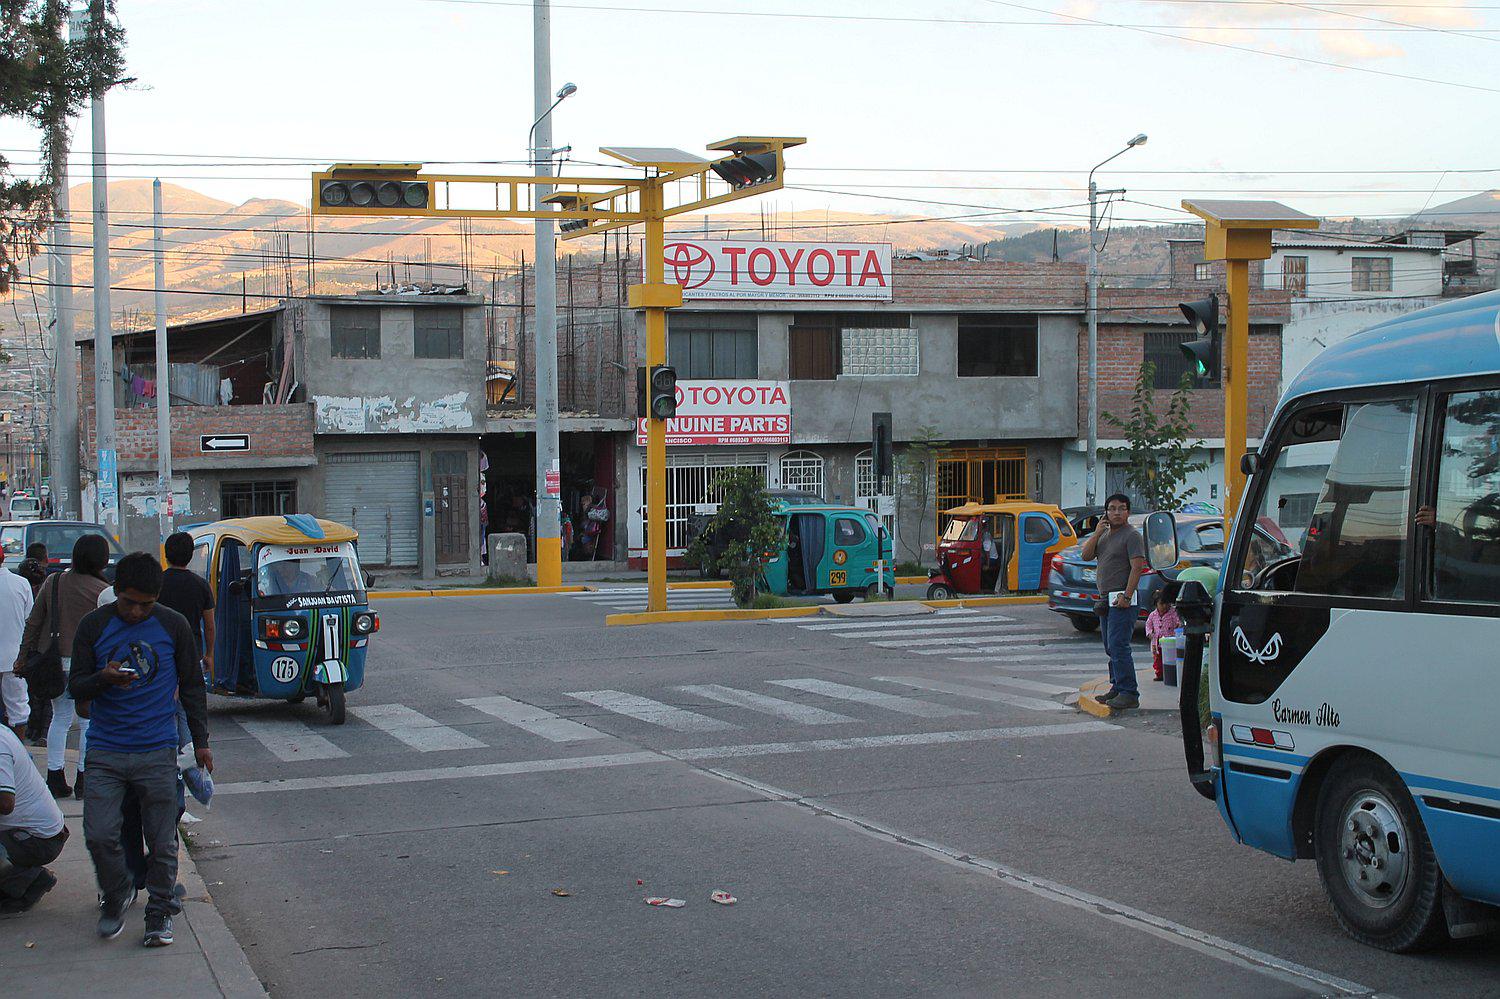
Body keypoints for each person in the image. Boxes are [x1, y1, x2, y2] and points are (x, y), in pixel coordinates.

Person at [70, 552, 211, 946]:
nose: (136, 612)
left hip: (157, 749)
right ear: (116, 593)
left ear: (157, 598)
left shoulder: (173, 625)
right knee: (99, 833)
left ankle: (161, 910)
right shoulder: (93, 627)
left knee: (163, 839)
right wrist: (103, 678)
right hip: (106, 750)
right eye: (129, 602)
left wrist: (200, 742)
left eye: (145, 604)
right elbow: (76, 687)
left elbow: (193, 686)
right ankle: (117, 893)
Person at [16, 535, 110, 798]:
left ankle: (55, 777)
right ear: (101, 560)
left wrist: (22, 657)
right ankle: (83, 778)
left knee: (60, 719)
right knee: (88, 721)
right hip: (87, 666)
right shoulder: (102, 591)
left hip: (54, 662)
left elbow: (33, 623)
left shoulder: (54, 581)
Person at [1080, 493, 1147, 710]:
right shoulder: (1105, 535)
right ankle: (1117, 686)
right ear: (1106, 512)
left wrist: (1127, 596)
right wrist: (1098, 532)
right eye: (1112, 508)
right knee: (1111, 646)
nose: (1116, 512)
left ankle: (1129, 692)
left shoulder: (1132, 536)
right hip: (1106, 600)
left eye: (1121, 508)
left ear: (1128, 511)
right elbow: (1086, 555)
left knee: (1119, 645)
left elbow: (1137, 567)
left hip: (1122, 600)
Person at [0, 723, 67, 914]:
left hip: (39, 839)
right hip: (21, 832)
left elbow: (5, 804)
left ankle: (31, 878)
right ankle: (13, 880)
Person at [157, 532, 215, 679]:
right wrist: (209, 654)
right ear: (190, 556)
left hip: (161, 648)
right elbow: (209, 625)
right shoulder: (202, 585)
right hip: (191, 650)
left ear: (166, 555)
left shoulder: (156, 583)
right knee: (189, 691)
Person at [0, 544, 35, 737]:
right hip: (14, 657)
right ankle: (18, 751)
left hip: (13, 657)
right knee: (18, 708)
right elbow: (30, 618)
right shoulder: (20, 583)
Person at [1145, 586, 1182, 683]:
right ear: (1156, 604)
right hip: (1157, 642)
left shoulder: (1173, 612)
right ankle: (1159, 674)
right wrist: (1149, 633)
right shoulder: (1153, 615)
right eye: (1162, 604)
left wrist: (1178, 626)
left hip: (1170, 641)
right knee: (1158, 659)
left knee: (1171, 658)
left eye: (1167, 603)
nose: (1165, 606)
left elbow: (1178, 621)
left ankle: (1171, 673)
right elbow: (1148, 625)